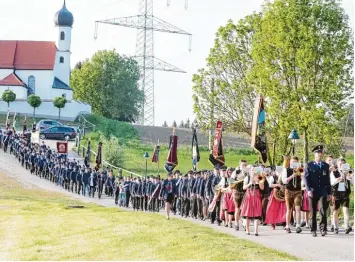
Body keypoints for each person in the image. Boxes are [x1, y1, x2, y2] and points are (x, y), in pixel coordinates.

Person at [304, 145, 331, 237]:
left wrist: (329, 192)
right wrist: (308, 190)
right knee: (313, 211)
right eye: (318, 153)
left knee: (323, 210)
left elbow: (327, 180)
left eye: (321, 153)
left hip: (322, 191)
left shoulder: (326, 165)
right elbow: (306, 178)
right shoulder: (309, 165)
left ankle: (323, 229)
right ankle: (313, 229)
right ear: (314, 154)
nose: (320, 154)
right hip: (312, 191)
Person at [330, 158, 352, 234]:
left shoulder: (348, 172)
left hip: (345, 193)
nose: (341, 165)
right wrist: (339, 178)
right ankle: (335, 226)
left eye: (343, 164)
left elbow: (353, 181)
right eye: (340, 164)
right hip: (336, 194)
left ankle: (347, 226)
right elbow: (332, 182)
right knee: (335, 211)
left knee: (346, 210)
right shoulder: (334, 172)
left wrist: (349, 177)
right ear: (337, 165)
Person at [240, 167, 264, 236]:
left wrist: (259, 182)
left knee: (257, 214)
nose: (253, 171)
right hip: (249, 196)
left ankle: (256, 231)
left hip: (256, 196)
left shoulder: (259, 177)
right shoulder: (247, 178)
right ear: (250, 171)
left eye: (254, 170)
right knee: (247, 214)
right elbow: (244, 187)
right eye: (252, 170)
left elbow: (262, 188)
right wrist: (250, 183)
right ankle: (247, 230)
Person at [282, 156, 303, 233]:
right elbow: (284, 181)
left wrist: (300, 173)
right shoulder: (286, 170)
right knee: (289, 209)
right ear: (290, 162)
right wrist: (292, 176)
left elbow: (304, 178)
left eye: (295, 162)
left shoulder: (299, 170)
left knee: (298, 208)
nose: (294, 163)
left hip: (298, 190)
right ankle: (287, 225)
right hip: (289, 190)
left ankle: (298, 225)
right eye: (293, 161)